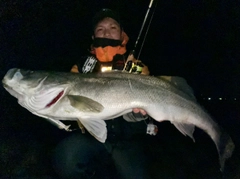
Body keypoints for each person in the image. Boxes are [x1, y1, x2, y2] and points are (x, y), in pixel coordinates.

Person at [52, 8, 153, 179]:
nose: (106, 31)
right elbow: (68, 100)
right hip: (91, 137)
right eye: (100, 28)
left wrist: (139, 114)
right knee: (66, 159)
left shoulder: (135, 66)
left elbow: (149, 97)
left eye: (113, 27)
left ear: (122, 35)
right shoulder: (82, 66)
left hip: (126, 141)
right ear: (93, 37)